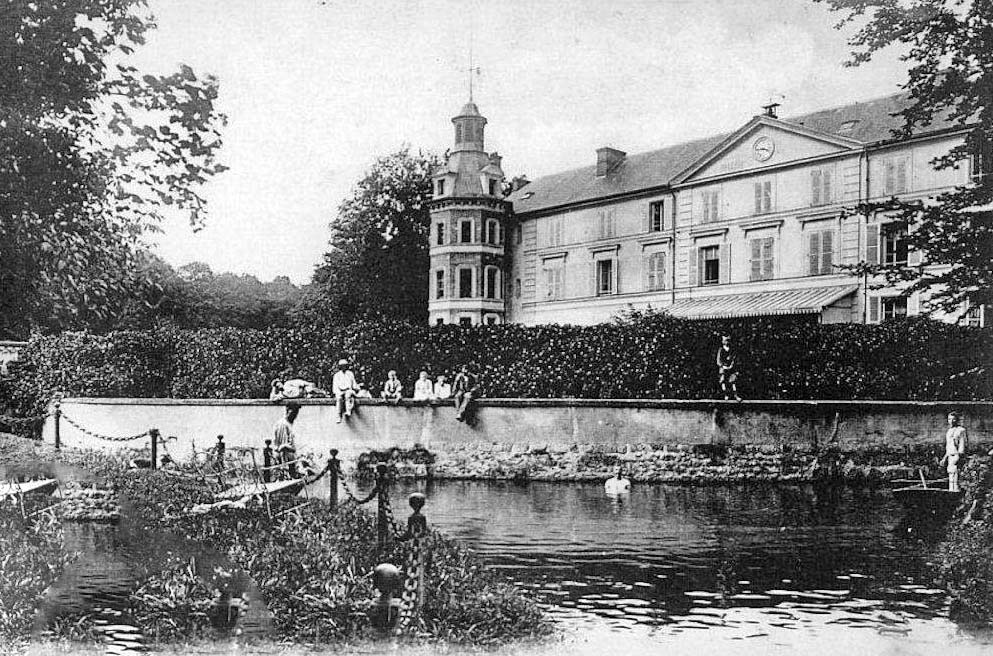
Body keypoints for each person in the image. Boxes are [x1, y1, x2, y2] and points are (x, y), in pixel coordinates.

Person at [940, 411, 968, 492]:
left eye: (953, 419)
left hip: (957, 456)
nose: (951, 421)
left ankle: (956, 494)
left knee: (956, 477)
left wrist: (959, 457)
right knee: (950, 477)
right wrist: (944, 459)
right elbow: (948, 447)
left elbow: (962, 445)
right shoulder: (949, 431)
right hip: (950, 457)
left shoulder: (961, 430)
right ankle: (951, 493)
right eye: (949, 419)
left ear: (957, 420)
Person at [272, 403, 301, 478]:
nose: (295, 415)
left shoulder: (289, 424)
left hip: (290, 460)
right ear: (288, 411)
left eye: (296, 413)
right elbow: (283, 448)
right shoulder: (283, 424)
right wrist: (285, 469)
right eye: (293, 412)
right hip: (286, 461)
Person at [332, 359, 359, 424]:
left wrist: (356, 388)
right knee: (339, 398)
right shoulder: (337, 375)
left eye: (345, 366)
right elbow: (335, 386)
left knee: (348, 395)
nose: (344, 367)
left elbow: (353, 384)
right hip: (340, 391)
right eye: (342, 366)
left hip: (348, 390)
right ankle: (338, 416)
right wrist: (338, 392)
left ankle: (348, 410)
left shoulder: (350, 374)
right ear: (340, 367)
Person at [716, 335, 741, 401]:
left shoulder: (731, 350)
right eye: (725, 340)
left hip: (730, 367)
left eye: (727, 340)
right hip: (723, 367)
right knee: (722, 380)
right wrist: (722, 366)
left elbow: (733, 359)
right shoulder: (721, 350)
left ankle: (736, 395)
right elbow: (718, 360)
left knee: (733, 381)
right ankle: (726, 395)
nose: (726, 342)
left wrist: (731, 365)